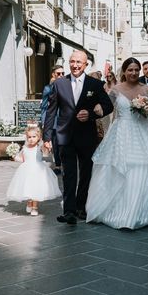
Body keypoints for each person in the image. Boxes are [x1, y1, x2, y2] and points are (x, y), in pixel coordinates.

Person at [86, 57, 148, 229]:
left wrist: (146, 111)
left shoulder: (147, 89)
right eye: (130, 70)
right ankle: (120, 209)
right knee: (120, 167)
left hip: (143, 133)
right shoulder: (115, 90)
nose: (133, 73)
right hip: (121, 133)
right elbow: (106, 107)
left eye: (136, 70)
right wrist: (95, 110)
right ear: (124, 71)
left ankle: (144, 208)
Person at [43, 50, 114, 225]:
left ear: (85, 65)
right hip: (65, 136)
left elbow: (108, 106)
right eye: (72, 61)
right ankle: (69, 211)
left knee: (86, 173)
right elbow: (51, 111)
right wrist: (46, 137)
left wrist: (91, 114)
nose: (75, 65)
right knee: (68, 174)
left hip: (87, 136)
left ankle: (81, 208)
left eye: (78, 63)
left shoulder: (95, 84)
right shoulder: (60, 83)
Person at [6, 125, 61, 216]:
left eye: (34, 137)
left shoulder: (40, 147)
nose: (31, 139)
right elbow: (23, 159)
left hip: (37, 170)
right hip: (26, 171)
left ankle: (34, 207)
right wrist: (14, 156)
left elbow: (46, 154)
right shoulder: (25, 148)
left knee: (35, 188)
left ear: (39, 137)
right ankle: (29, 202)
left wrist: (48, 148)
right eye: (29, 137)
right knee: (28, 187)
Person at [40, 65, 65, 172]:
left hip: (65, 120)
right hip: (54, 120)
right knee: (56, 144)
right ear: (53, 75)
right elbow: (44, 106)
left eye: (63, 73)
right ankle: (58, 165)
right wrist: (44, 121)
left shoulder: (67, 86)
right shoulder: (48, 88)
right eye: (58, 74)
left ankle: (65, 164)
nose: (61, 76)